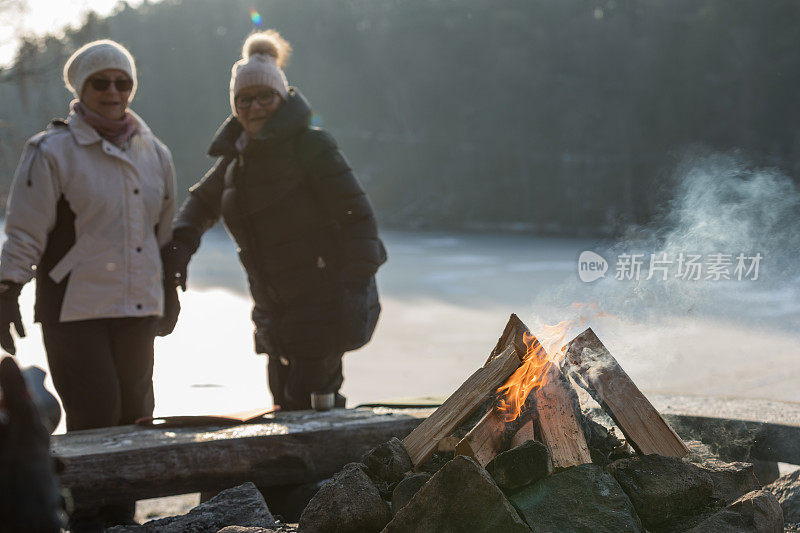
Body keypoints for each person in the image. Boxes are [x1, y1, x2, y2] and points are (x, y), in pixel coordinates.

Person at [0, 39, 178, 529]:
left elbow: (161, 231)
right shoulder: (50, 150)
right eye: (101, 82)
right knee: (97, 416)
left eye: (123, 82)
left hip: (138, 306)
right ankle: (87, 522)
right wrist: (7, 287)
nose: (113, 90)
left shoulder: (154, 150)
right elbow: (24, 231)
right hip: (73, 308)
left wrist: (171, 287)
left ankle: (121, 519)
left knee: (138, 417)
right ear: (81, 88)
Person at [163, 30, 385, 411]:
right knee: (285, 407)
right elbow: (199, 206)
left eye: (265, 96)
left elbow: (358, 218)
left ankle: (346, 473)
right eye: (244, 99)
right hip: (275, 314)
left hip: (324, 307)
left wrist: (355, 288)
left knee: (316, 412)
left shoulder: (311, 146)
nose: (255, 107)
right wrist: (177, 253)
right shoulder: (237, 162)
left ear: (281, 99)